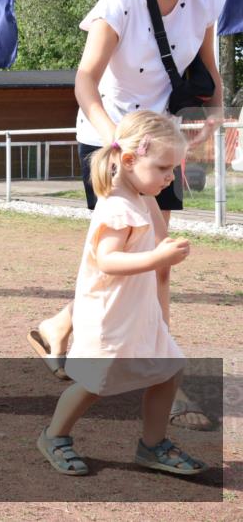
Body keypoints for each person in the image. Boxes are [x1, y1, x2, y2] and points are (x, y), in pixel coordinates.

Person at [29, 0, 223, 432]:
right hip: (110, 137)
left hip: (157, 143)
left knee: (151, 260)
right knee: (142, 256)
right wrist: (119, 142)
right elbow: (85, 81)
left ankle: (63, 327)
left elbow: (209, 74)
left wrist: (212, 117)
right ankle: (164, 379)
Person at [38, 110, 205, 477]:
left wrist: (163, 249)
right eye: (163, 168)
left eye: (173, 168)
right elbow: (108, 261)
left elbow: (154, 239)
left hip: (138, 313)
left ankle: (153, 445)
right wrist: (157, 258)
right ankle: (54, 436)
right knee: (94, 384)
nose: (170, 177)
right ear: (129, 161)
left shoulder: (139, 197)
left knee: (169, 371)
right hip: (111, 317)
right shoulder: (116, 207)